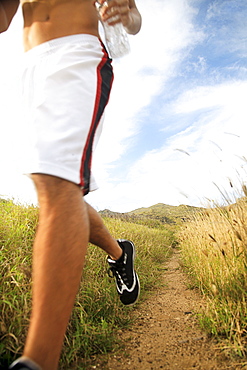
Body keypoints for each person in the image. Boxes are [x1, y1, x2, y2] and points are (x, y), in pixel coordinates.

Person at [0, 1, 142, 369]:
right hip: (31, 65)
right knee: (53, 187)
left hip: (77, 52)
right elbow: (4, 20)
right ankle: (119, 253)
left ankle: (38, 361)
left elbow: (135, 17)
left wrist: (128, 14)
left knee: (55, 182)